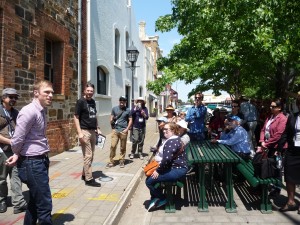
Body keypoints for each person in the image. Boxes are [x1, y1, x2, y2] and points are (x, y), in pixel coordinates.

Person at [5, 80, 54, 225]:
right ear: (36, 93)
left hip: (40, 160)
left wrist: (17, 153)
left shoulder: (41, 110)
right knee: (44, 204)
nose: (50, 95)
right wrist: (16, 153)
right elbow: (17, 139)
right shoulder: (29, 111)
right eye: (47, 92)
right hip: (32, 163)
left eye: (52, 92)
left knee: (34, 199)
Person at [146, 123, 188, 211]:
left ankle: (162, 198)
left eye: (166, 129)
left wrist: (158, 171)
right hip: (175, 168)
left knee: (149, 181)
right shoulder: (175, 139)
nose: (164, 131)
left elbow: (166, 159)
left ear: (173, 131)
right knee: (150, 178)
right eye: (163, 129)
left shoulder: (172, 141)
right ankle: (156, 197)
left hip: (176, 170)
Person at [0, 88, 27, 214]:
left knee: (16, 177)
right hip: (2, 150)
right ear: (3, 98)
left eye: (16, 97)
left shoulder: (17, 113)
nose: (14, 100)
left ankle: (18, 203)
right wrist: (10, 141)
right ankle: (2, 201)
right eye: (11, 97)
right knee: (1, 178)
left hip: (16, 151)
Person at [74, 83, 102, 187]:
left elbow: (95, 115)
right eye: (88, 90)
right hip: (84, 131)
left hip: (93, 131)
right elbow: (76, 117)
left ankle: (84, 174)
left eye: (91, 91)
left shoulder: (93, 102)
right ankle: (89, 179)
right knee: (88, 155)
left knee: (91, 155)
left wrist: (97, 128)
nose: (90, 92)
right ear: (84, 91)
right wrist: (80, 133)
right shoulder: (81, 101)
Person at [259, 99, 288, 198]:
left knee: (277, 168)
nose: (271, 108)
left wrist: (266, 143)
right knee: (270, 166)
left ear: (279, 108)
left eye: (273, 106)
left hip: (278, 147)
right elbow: (263, 129)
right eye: (271, 106)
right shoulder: (270, 117)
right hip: (268, 145)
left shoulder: (282, 119)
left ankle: (277, 188)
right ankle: (271, 185)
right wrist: (262, 140)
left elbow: (278, 135)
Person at [279, 94, 300, 213]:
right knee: (289, 175)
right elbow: (286, 133)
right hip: (293, 150)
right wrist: (279, 148)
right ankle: (291, 201)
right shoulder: (293, 117)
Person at [106, 96, 132, 168]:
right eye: (121, 101)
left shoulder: (128, 110)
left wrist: (127, 129)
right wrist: (111, 121)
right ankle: (111, 161)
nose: (122, 103)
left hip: (124, 130)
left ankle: (121, 160)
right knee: (113, 146)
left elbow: (130, 120)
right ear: (119, 101)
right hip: (115, 130)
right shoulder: (114, 108)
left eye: (123, 102)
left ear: (125, 102)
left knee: (123, 147)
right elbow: (111, 117)